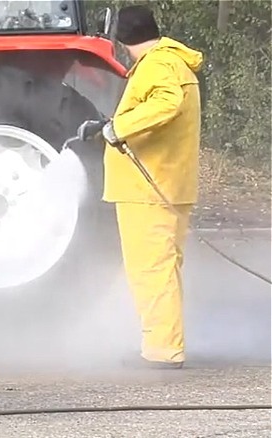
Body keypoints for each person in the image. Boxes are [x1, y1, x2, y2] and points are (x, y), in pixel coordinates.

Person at [82, 5, 205, 369]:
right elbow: (154, 110)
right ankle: (163, 345)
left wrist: (118, 129)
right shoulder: (169, 61)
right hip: (164, 185)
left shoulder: (158, 65)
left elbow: (166, 103)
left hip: (150, 190)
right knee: (161, 270)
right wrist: (108, 124)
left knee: (152, 272)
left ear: (122, 40)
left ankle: (163, 353)